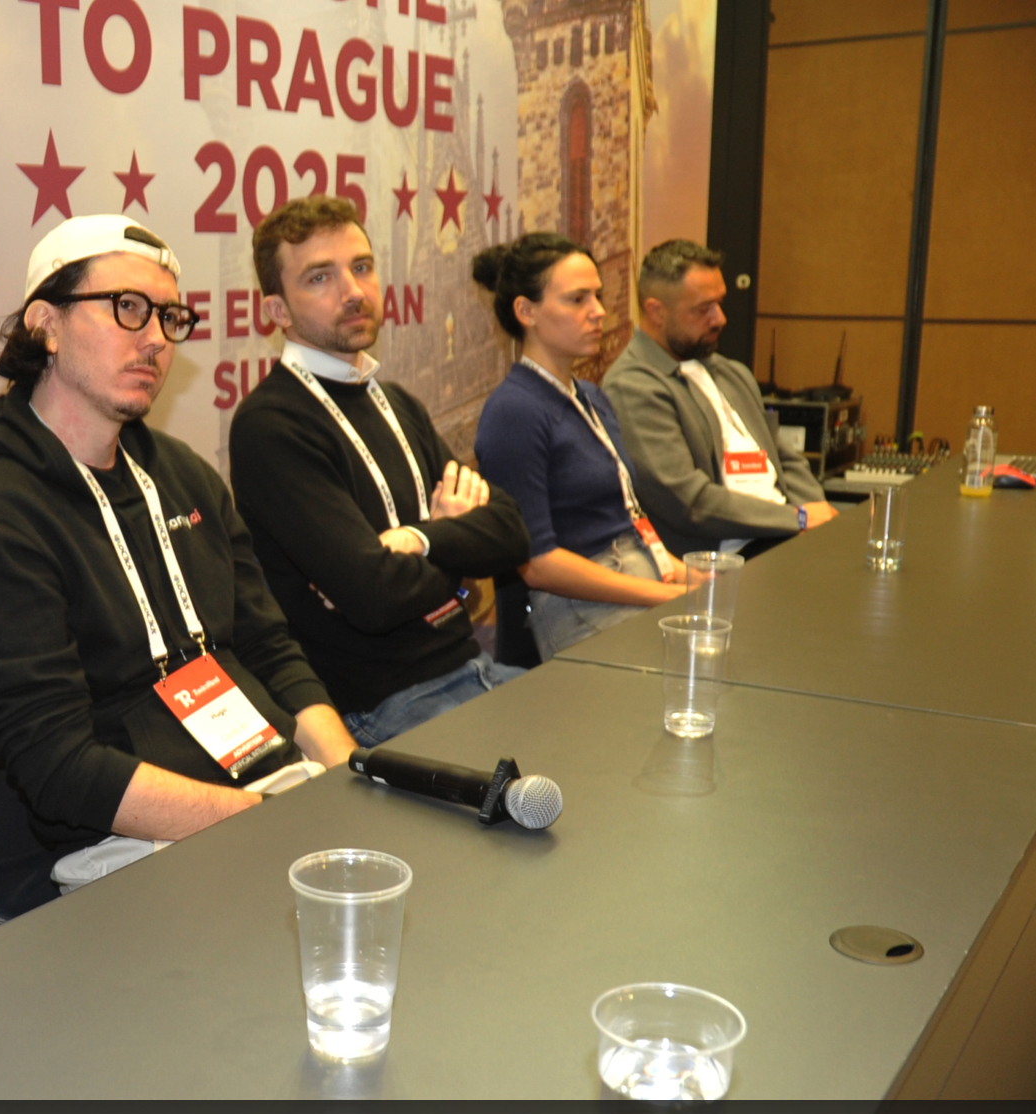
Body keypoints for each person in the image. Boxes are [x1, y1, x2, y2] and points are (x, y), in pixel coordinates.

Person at [0, 215, 354, 910]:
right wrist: (267, 823)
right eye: (127, 308)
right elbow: (59, 767)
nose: (155, 338)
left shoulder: (182, 474)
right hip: (123, 847)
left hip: (267, 792)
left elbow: (271, 650)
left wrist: (347, 777)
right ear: (46, 325)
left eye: (169, 317)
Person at [227, 195, 532, 747]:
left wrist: (418, 540)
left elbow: (512, 532)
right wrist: (458, 546)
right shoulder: (271, 425)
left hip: (474, 667)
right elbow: (373, 597)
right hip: (383, 706)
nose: (353, 291)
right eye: (320, 277)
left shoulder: (395, 401)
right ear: (277, 311)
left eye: (362, 267)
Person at [472, 234, 687, 660]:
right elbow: (538, 563)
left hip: (638, 573)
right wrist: (664, 596)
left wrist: (691, 576)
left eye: (598, 296)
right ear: (526, 312)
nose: (598, 311)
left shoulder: (589, 395)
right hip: (576, 607)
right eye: (577, 299)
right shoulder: (514, 412)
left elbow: (626, 516)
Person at [602, 240, 836, 555]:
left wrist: (816, 513)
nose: (720, 318)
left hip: (783, 533)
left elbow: (785, 460)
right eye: (703, 309)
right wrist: (798, 518)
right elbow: (689, 501)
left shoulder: (730, 373)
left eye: (720, 303)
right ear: (656, 311)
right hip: (724, 555)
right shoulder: (633, 387)